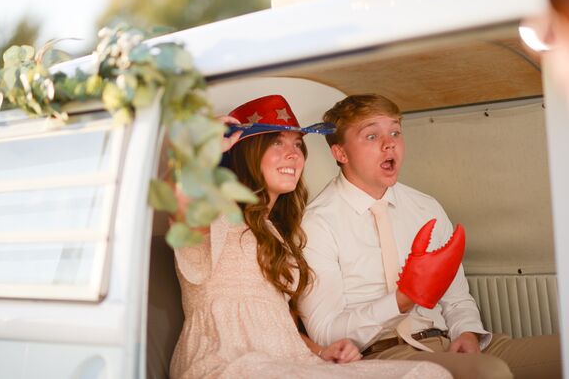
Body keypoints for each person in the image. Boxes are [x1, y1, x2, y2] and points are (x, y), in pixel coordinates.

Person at [169, 94, 451, 378]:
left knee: (428, 373)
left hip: (289, 362)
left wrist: (323, 352)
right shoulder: (216, 216)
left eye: (297, 144)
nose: (293, 154)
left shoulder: (280, 235)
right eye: (277, 142)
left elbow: (280, 327)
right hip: (228, 363)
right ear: (247, 152)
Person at [298, 93, 562, 379]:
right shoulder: (316, 223)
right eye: (372, 136)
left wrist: (467, 332)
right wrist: (400, 302)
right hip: (383, 353)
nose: (389, 143)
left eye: (395, 132)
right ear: (340, 153)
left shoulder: (425, 207)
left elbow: (457, 297)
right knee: (489, 372)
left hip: (449, 341)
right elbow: (325, 332)